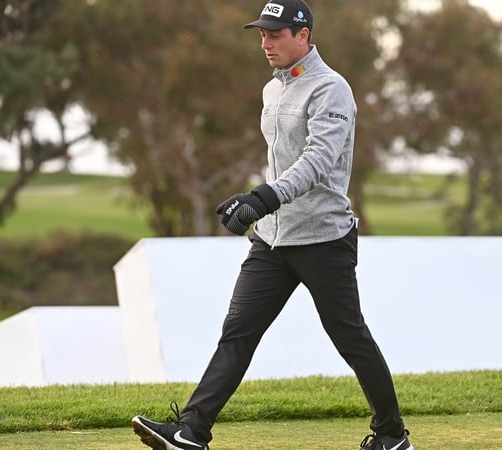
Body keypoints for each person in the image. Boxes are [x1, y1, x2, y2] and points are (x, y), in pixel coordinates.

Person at [130, 1, 413, 449]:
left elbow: (318, 160)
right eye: (262, 34)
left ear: (303, 35)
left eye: (275, 34)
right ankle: (192, 430)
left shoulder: (331, 88)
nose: (265, 43)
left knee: (350, 339)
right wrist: (253, 200)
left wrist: (262, 198)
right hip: (273, 240)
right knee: (237, 333)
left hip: (324, 239)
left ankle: (392, 436)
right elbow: (280, 165)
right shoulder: (273, 90)